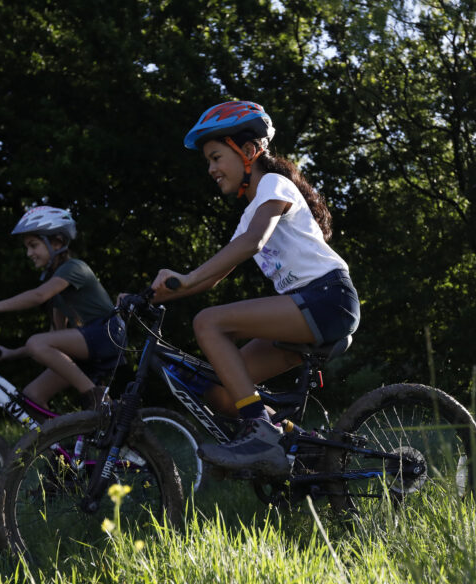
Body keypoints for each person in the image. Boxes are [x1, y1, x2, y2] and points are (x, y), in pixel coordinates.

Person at [148, 100, 360, 477]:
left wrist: (188, 277)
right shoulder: (250, 211)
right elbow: (216, 274)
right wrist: (153, 294)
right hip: (304, 307)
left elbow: (251, 244)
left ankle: (260, 431)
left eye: (216, 157)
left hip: (328, 300)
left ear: (249, 151)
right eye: (208, 162)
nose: (211, 169)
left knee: (208, 323)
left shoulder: (275, 185)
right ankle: (304, 451)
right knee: (224, 394)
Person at [0, 206, 124, 411]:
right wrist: (11, 354)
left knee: (36, 342)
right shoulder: (57, 291)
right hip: (91, 345)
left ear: (56, 242)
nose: (29, 253)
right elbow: (55, 337)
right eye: (27, 247)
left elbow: (38, 296)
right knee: (31, 398)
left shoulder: (74, 267)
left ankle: (99, 401)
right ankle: (56, 441)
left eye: (33, 245)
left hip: (107, 334)